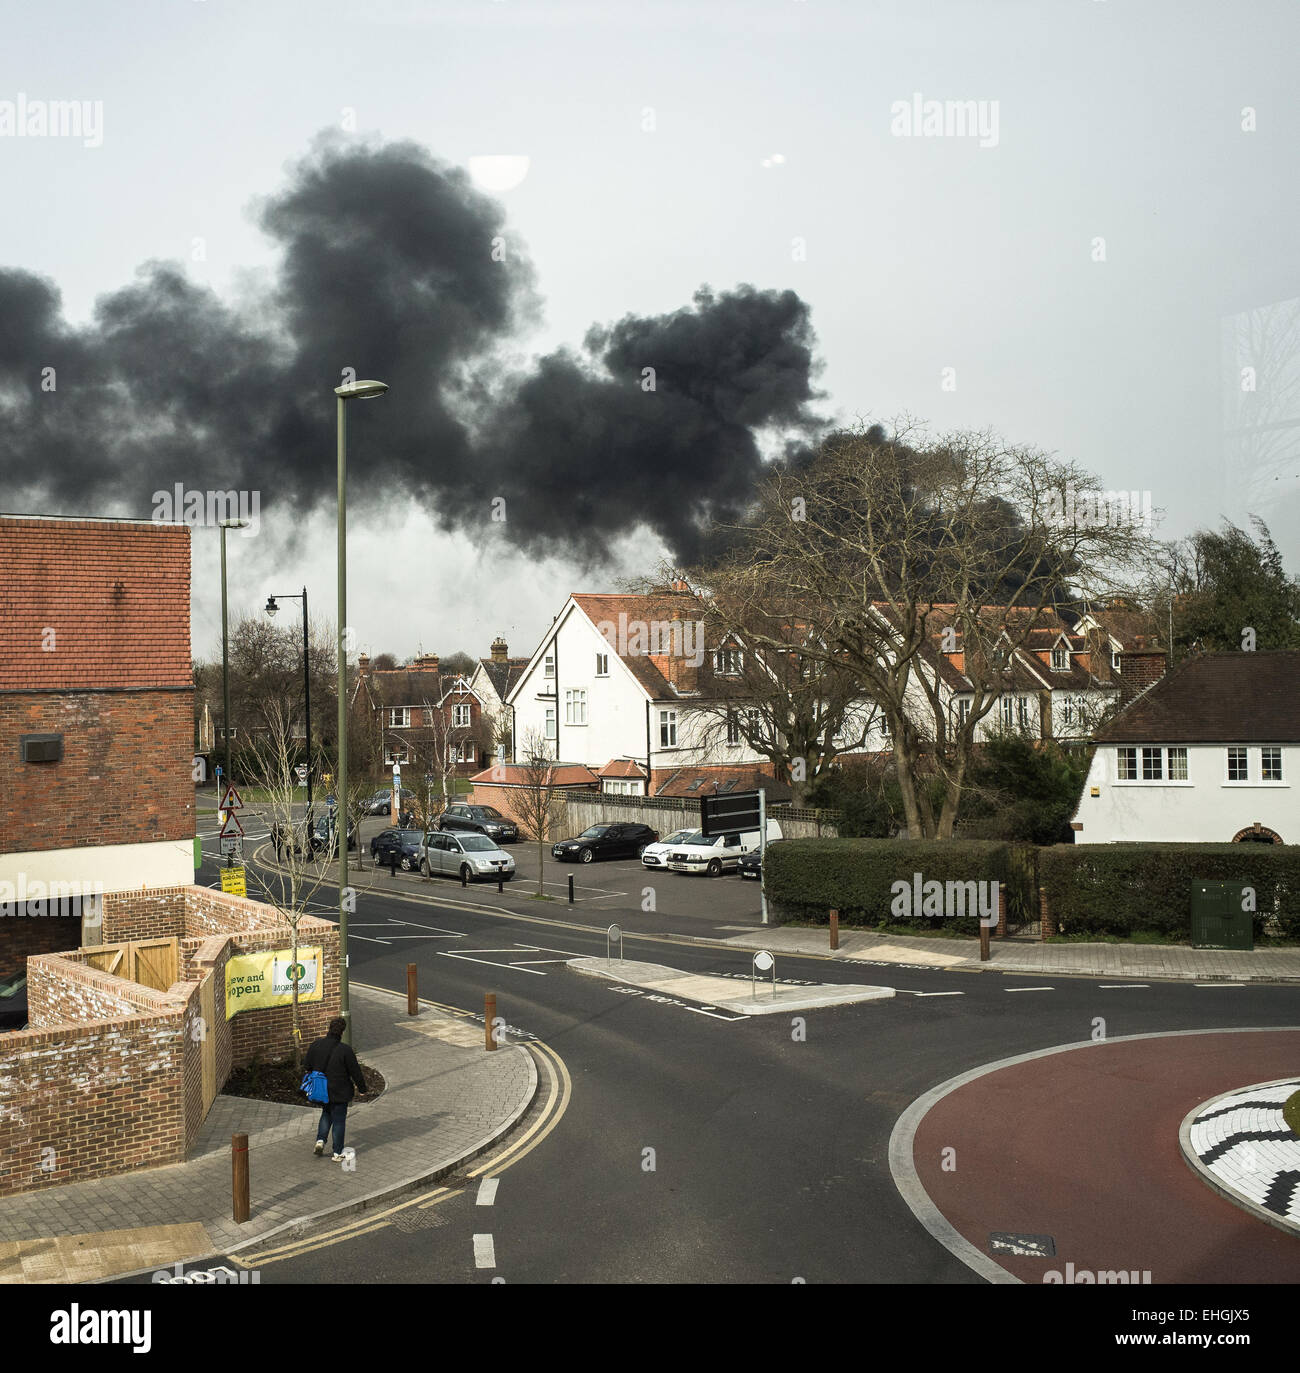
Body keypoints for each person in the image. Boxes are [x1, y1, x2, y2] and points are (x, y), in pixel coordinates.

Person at [304, 1017, 367, 1161]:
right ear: (342, 1032)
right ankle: (337, 1152)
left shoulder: (316, 1045)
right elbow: (355, 1072)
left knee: (326, 1113)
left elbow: (307, 1065)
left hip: (321, 1089)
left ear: (329, 1028)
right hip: (340, 1091)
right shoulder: (345, 1050)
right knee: (338, 1120)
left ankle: (320, 1140)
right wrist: (362, 1089)